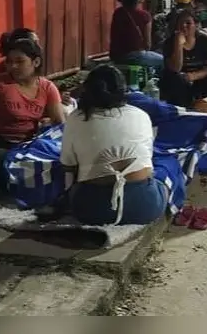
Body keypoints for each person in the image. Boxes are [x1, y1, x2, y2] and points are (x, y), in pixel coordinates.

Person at [60, 65, 166, 226]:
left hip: (93, 210)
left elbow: (68, 166)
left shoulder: (76, 118)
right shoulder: (140, 115)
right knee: (163, 176)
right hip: (144, 206)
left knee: (72, 189)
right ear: (123, 90)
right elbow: (147, 162)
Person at [0, 39, 65, 189]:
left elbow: (59, 124)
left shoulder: (48, 88)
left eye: (19, 61)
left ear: (36, 62)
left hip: (29, 147)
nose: (13, 66)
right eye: (9, 62)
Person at [109, 0, 162, 70]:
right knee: (164, 61)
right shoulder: (145, 15)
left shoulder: (118, 12)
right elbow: (147, 45)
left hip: (116, 56)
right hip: (135, 57)